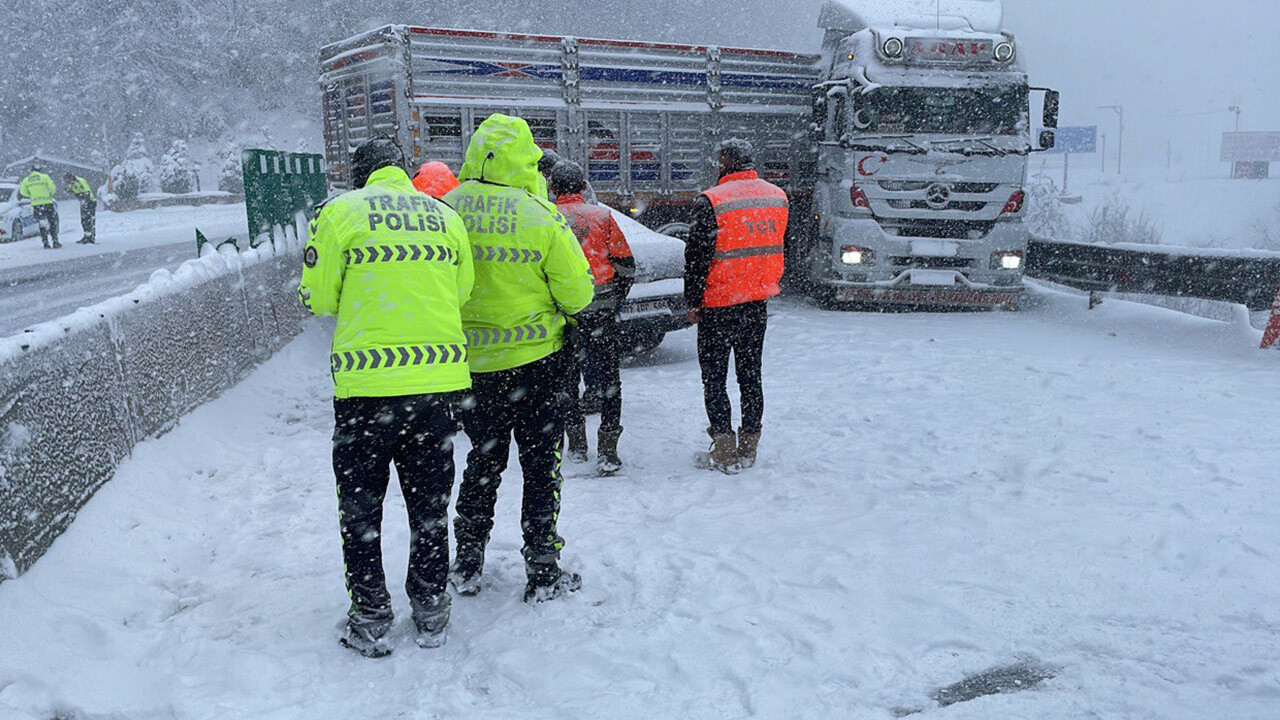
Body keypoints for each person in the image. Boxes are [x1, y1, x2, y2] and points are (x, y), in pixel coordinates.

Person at [297, 136, 474, 657]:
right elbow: (461, 291)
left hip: (366, 396)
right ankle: (431, 607)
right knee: (429, 507)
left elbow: (319, 298)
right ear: (404, 170)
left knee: (360, 508)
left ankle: (371, 615)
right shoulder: (444, 215)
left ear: (360, 175)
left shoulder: (340, 213)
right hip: (436, 393)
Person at [444, 114, 595, 603]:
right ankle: (543, 568)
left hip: (469, 369)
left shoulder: (445, 211)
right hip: (537, 368)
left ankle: (466, 561)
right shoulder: (540, 215)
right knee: (540, 467)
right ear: (525, 159)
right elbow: (577, 296)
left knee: (482, 462)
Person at [684, 139, 788, 474]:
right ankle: (750, 445)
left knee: (714, 378)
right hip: (756, 303)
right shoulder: (777, 197)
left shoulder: (713, 201)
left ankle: (725, 447)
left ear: (726, 163)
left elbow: (696, 258)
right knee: (750, 375)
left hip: (718, 304)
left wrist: (693, 302)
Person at [551, 160, 635, 475]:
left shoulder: (548, 219)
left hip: (565, 315)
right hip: (602, 312)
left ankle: (576, 444)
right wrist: (614, 299)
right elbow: (626, 264)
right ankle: (609, 450)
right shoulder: (603, 217)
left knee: (567, 379)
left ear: (553, 188)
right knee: (609, 379)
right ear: (584, 186)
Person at [18, 165, 59, 249]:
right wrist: (49, 194)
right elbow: (53, 188)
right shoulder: (45, 177)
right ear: (39, 170)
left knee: (42, 223)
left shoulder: (26, 180)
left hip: (37, 205)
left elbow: (23, 192)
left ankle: (45, 243)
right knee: (52, 222)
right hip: (47, 203)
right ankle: (55, 241)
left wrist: (32, 195)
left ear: (31, 171)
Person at [64, 173, 97, 244]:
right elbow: (70, 191)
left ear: (71, 177)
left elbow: (86, 191)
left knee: (89, 219)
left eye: (68, 180)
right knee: (83, 220)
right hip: (83, 201)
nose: (67, 181)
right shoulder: (71, 184)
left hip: (90, 201)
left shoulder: (80, 181)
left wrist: (85, 201)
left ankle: (91, 237)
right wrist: (67, 189)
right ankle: (86, 236)